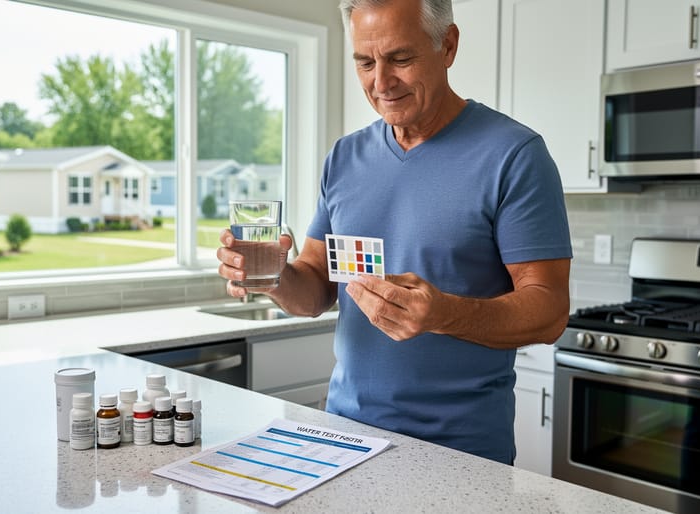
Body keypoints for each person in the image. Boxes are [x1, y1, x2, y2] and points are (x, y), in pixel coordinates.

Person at [216, 0, 572, 465]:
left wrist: (444, 314)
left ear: (448, 45)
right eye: (365, 63)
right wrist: (273, 276)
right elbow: (316, 289)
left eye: (400, 58)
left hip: (460, 455)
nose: (381, 83)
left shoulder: (514, 155)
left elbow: (549, 311)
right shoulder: (344, 158)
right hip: (344, 439)